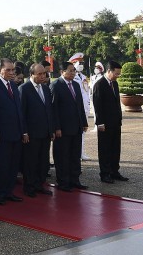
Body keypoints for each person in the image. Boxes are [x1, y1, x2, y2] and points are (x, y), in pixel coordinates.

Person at [0, 58, 25, 205]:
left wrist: (23, 131)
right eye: (8, 70)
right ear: (0, 69)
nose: (11, 72)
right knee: (2, 165)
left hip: (15, 133)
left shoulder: (13, 86)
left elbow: (18, 110)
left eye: (12, 70)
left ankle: (9, 191)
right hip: (1, 135)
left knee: (13, 165)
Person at [51, 62, 88, 191]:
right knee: (63, 156)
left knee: (75, 155)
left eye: (74, 71)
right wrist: (57, 128)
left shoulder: (76, 85)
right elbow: (54, 109)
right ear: (62, 72)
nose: (73, 73)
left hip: (76, 127)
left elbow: (80, 106)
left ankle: (74, 180)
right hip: (63, 129)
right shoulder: (56, 85)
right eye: (70, 70)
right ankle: (63, 182)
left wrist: (83, 122)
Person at [19, 63, 54, 197]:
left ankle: (40, 184)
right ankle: (29, 187)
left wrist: (51, 130)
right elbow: (21, 113)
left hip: (45, 133)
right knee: (30, 162)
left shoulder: (45, 89)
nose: (42, 76)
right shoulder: (24, 89)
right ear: (31, 75)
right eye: (39, 74)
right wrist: (24, 132)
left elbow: (49, 111)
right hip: (31, 134)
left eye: (43, 73)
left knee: (43, 162)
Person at [92, 60, 128, 184]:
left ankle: (114, 171)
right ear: (109, 71)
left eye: (119, 74)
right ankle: (105, 173)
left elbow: (117, 103)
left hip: (115, 123)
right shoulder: (99, 84)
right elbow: (97, 105)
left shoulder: (115, 84)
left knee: (115, 148)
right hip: (104, 124)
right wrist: (100, 123)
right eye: (116, 73)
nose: (118, 76)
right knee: (105, 149)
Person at [69, 53, 92, 162]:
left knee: (83, 132)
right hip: (75, 111)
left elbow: (86, 93)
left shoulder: (83, 77)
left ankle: (81, 152)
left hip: (84, 109)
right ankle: (76, 154)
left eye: (82, 63)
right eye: (79, 62)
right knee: (75, 133)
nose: (81, 65)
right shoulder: (71, 78)